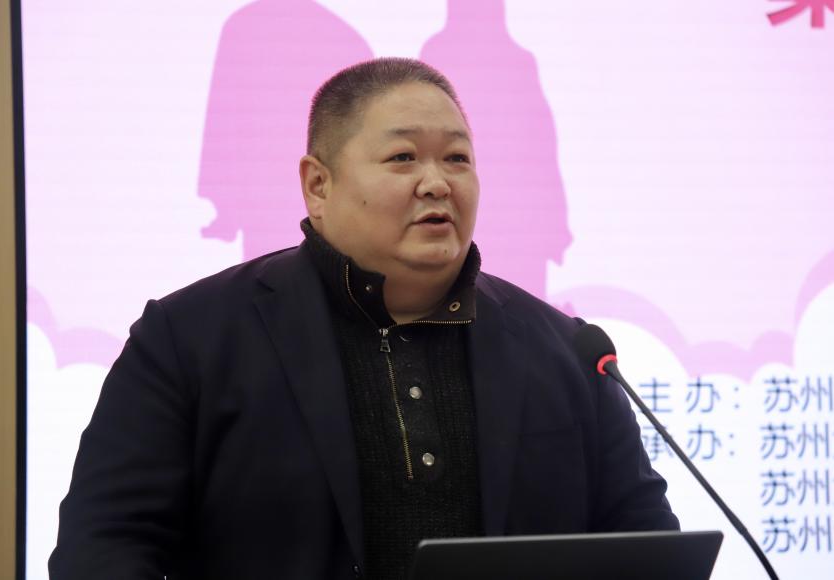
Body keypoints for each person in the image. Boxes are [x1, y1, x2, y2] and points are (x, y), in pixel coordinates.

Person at [49, 58, 678, 580]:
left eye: (457, 159)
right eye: (403, 157)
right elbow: (103, 547)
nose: (436, 183)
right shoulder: (189, 340)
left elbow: (647, 544)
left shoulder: (568, 351)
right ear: (318, 186)